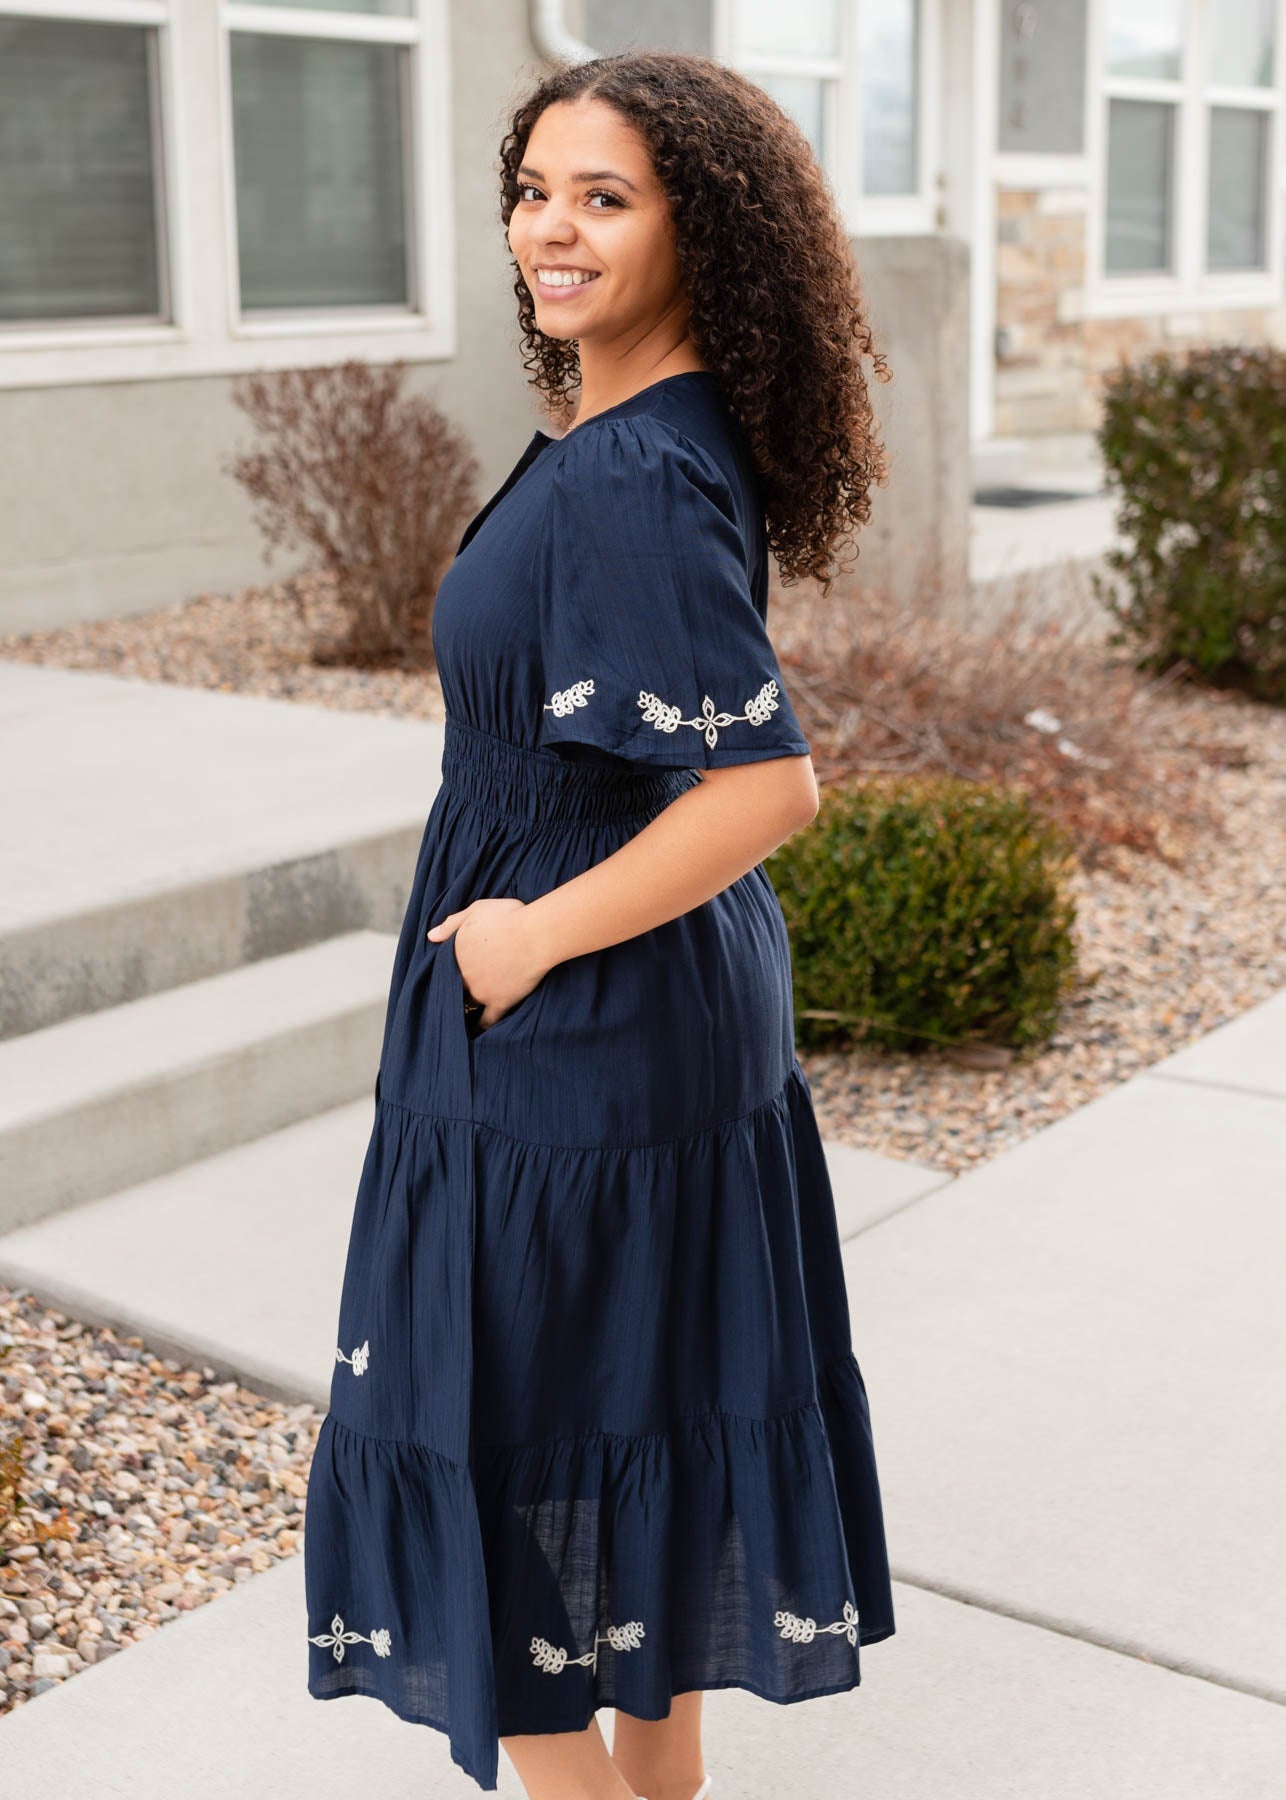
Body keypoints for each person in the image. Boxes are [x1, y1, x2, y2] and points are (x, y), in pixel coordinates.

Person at [304, 48, 895, 1800]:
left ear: (698, 233)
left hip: (577, 1026)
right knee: (623, 1436)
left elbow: (761, 786)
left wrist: (520, 941)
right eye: (536, 189)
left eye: (604, 197)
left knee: (518, 1475)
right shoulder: (636, 428)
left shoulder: (634, 470)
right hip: (638, 1018)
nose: (548, 231)